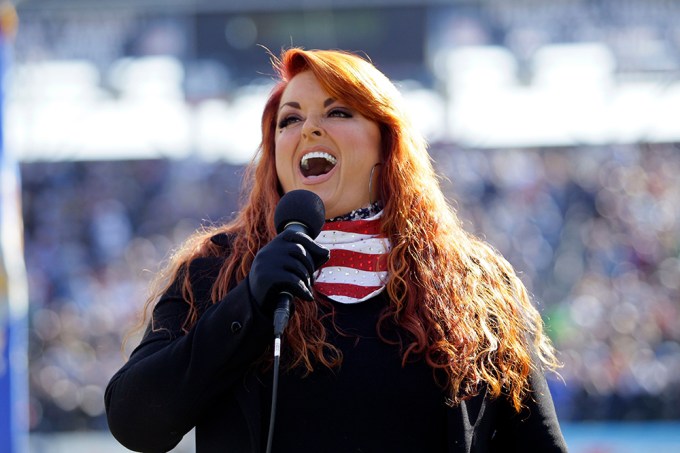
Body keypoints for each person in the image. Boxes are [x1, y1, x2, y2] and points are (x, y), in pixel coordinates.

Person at [105, 48, 568, 453]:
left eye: (337, 112)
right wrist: (246, 306)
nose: (308, 129)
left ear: (387, 142)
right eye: (290, 119)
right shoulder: (218, 269)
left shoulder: (475, 283)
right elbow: (136, 423)